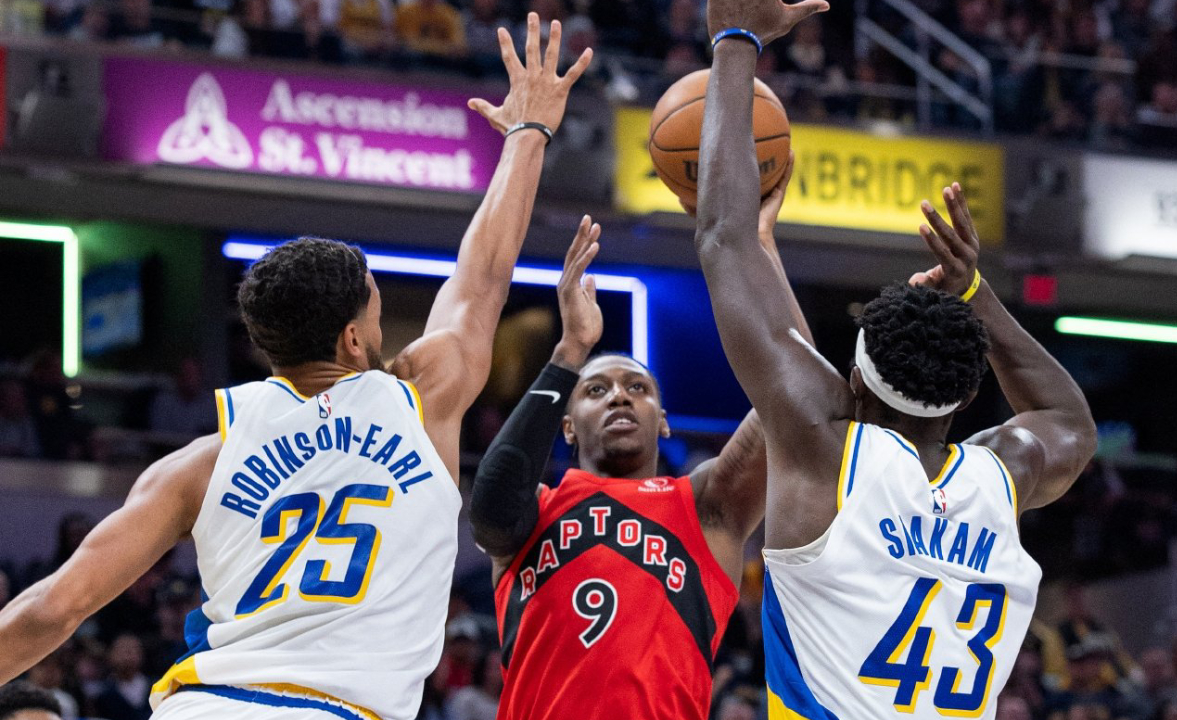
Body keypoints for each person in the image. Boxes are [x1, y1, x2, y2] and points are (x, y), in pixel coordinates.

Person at [0, 16, 592, 720]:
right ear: (351, 339)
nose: (382, 321)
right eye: (375, 307)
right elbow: (485, 274)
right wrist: (529, 134)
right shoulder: (420, 396)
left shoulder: (199, 460)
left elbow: (52, 609)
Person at [691, 1, 1098, 717]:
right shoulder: (1003, 472)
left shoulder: (824, 447)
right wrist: (978, 294)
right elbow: (1068, 418)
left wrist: (734, 38)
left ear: (852, 381)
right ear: (968, 398)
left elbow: (725, 239)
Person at [469, 179, 807, 719]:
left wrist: (761, 249)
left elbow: (796, 388)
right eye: (595, 390)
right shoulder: (531, 509)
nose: (620, 395)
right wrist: (569, 350)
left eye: (638, 388)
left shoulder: (705, 506)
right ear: (568, 426)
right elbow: (487, 511)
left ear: (664, 423)